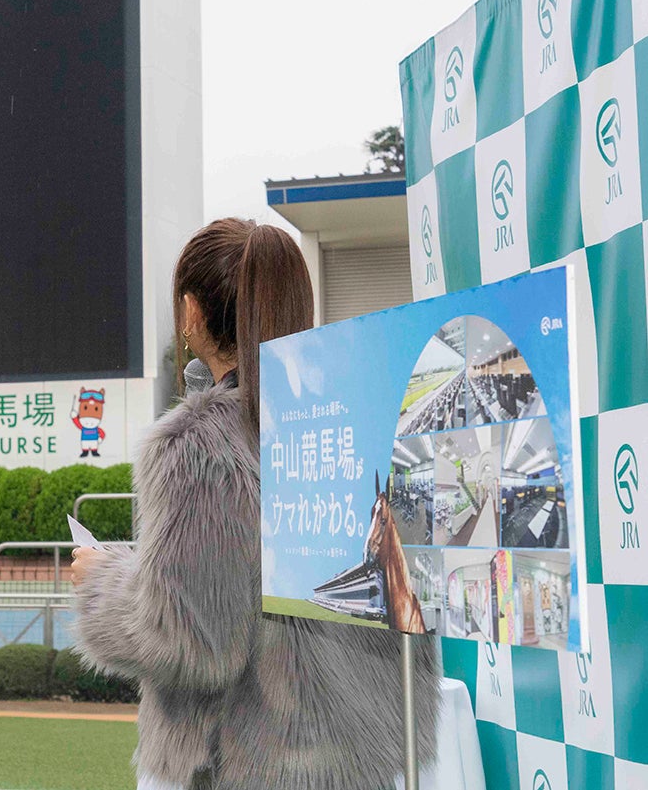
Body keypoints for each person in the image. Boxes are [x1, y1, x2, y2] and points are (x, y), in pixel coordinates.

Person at [69, 218, 438, 790]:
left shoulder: (198, 446)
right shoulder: (363, 415)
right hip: (366, 758)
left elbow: (191, 642)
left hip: (253, 764)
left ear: (192, 314)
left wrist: (105, 578)